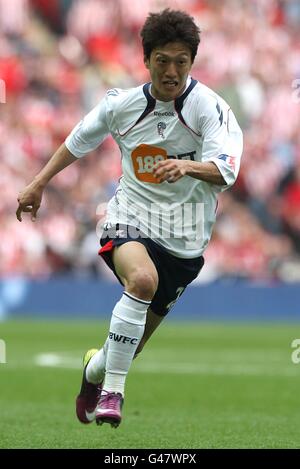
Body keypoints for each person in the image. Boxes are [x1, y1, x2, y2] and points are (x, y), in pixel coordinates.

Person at [16, 9, 243, 428]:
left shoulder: (211, 109)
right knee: (141, 281)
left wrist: (188, 167)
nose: (171, 71)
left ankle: (94, 370)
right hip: (130, 219)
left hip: (186, 240)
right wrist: (38, 183)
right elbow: (78, 140)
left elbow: (228, 169)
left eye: (181, 61)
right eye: (162, 61)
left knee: (130, 344)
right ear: (146, 60)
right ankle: (112, 394)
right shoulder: (122, 106)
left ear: (192, 62)